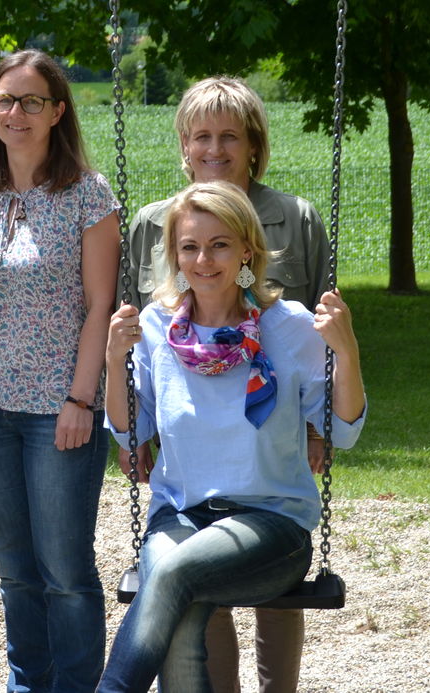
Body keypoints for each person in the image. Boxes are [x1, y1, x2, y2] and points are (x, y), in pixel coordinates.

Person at [97, 180, 366, 693]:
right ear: (175, 255)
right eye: (190, 247)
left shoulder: (289, 326)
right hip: (180, 515)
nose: (203, 260)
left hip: (272, 526)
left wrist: (346, 352)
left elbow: (345, 431)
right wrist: (114, 361)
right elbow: (133, 434)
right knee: (178, 614)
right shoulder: (155, 327)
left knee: (170, 576)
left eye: (219, 244)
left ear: (246, 249)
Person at [119, 76, 332, 693]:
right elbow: (144, 336)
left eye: (230, 137)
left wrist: (319, 426)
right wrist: (138, 430)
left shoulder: (294, 218)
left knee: (268, 585)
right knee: (195, 582)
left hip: (271, 432)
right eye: (202, 136)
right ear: (184, 146)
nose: (215, 149)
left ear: (254, 145)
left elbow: (321, 331)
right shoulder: (155, 222)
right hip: (192, 431)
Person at [0, 49, 120, 693]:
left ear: (57, 112)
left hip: (59, 408)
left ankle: (77, 686)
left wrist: (81, 400)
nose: (15, 113)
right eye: (4, 100)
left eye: (31, 101)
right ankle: (27, 682)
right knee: (14, 567)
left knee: (64, 570)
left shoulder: (87, 194)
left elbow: (101, 304)